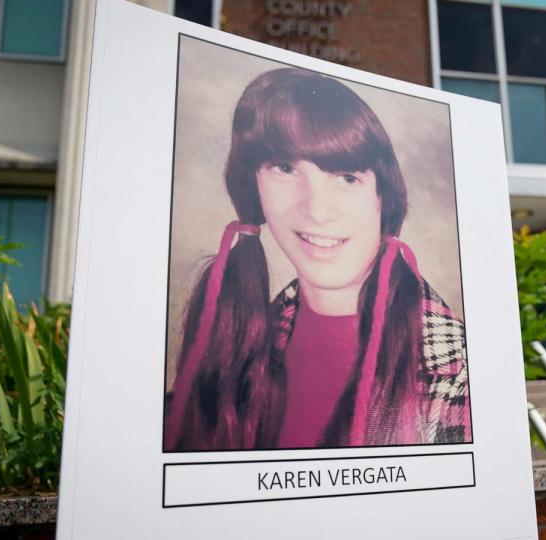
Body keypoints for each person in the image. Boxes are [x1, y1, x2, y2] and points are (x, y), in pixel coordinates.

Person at [164, 68, 471, 451]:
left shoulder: (455, 370)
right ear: (253, 186)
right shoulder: (235, 339)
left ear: (383, 196)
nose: (317, 211)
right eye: (285, 168)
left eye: (345, 177)